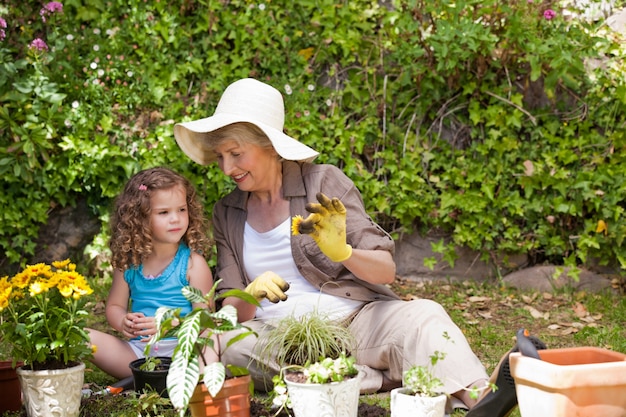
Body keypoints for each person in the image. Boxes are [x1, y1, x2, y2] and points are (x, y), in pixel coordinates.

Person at [173, 78, 544, 416]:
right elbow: (234, 315)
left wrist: (344, 253)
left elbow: (386, 271)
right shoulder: (228, 211)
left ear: (269, 144)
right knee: (232, 346)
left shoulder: (325, 182)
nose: (226, 168)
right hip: (279, 340)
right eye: (221, 156)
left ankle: (483, 400)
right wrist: (249, 295)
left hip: (356, 324)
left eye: (235, 154)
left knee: (423, 316)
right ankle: (380, 377)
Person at [88, 167, 215, 379]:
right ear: (139, 218)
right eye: (164, 212)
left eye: (182, 210)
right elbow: (115, 306)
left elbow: (204, 320)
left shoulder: (193, 264)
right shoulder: (129, 263)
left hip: (185, 354)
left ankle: (189, 383)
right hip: (138, 356)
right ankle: (151, 378)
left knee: (214, 336)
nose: (176, 219)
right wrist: (122, 321)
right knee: (82, 337)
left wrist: (168, 326)